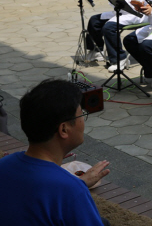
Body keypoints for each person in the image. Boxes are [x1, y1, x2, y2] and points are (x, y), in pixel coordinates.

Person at [0, 79, 111, 225]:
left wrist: (78, 183)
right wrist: (74, 188)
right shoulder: (71, 192)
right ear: (64, 129)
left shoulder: (4, 164)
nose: (83, 121)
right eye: (81, 115)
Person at [86, 0, 146, 73]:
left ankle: (120, 59)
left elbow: (136, 5)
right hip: (122, 12)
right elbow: (120, 0)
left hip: (135, 15)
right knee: (94, 20)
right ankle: (97, 51)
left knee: (109, 27)